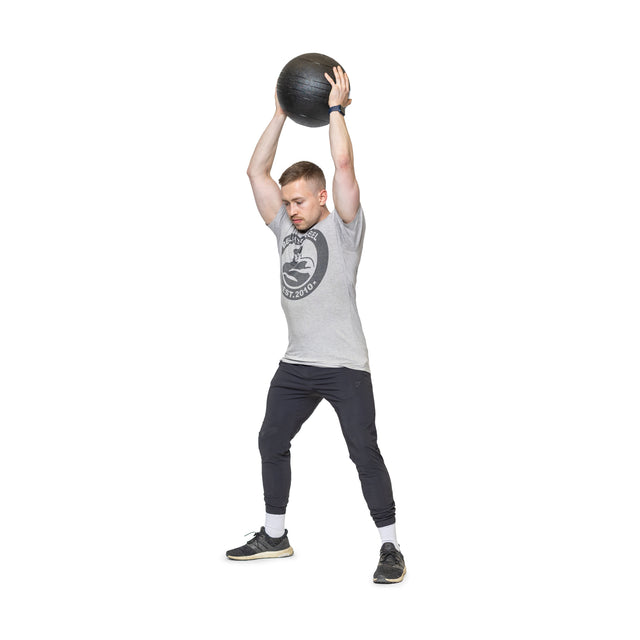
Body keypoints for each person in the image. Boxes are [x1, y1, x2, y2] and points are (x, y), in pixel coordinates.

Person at [226, 66, 406, 584]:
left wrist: (335, 111)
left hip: (345, 364)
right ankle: (275, 535)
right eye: (288, 203)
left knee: (363, 452)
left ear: (321, 197)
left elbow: (344, 161)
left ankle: (390, 547)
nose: (292, 211)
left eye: (299, 201)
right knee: (270, 439)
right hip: (297, 363)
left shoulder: (345, 226)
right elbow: (255, 173)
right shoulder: (283, 224)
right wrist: (281, 112)